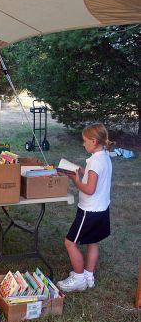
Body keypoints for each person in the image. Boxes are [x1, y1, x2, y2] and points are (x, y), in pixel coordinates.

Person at [57, 123, 112, 292]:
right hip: (102, 209)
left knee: (70, 243)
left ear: (94, 141)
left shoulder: (95, 162)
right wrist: (82, 170)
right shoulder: (104, 156)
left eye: (85, 141)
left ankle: (79, 278)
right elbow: (95, 176)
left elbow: (89, 189)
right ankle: (89, 275)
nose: (83, 144)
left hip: (89, 211)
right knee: (92, 241)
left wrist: (76, 180)